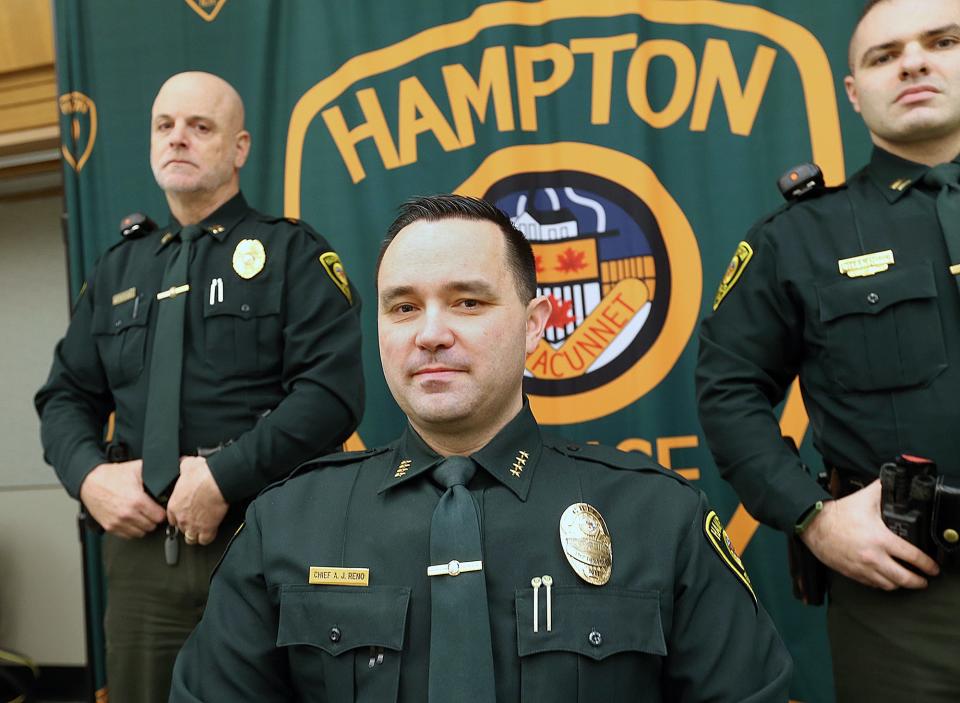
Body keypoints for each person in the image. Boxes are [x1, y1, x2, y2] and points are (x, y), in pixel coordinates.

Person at [170, 194, 791, 702]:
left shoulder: (661, 519)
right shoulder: (285, 524)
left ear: (534, 322)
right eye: (404, 307)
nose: (432, 334)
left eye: (468, 302)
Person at [34, 71, 364, 703]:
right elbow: (65, 398)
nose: (177, 139)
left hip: (264, 541)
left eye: (199, 126)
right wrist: (90, 477)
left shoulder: (290, 253)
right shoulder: (117, 269)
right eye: (165, 126)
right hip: (140, 562)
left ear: (238, 148)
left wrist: (222, 479)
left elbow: (332, 394)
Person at [696, 0, 960, 700]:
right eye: (883, 55)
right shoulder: (799, 237)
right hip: (910, 592)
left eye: (943, 41)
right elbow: (729, 387)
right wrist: (812, 515)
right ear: (854, 91)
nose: (913, 61)